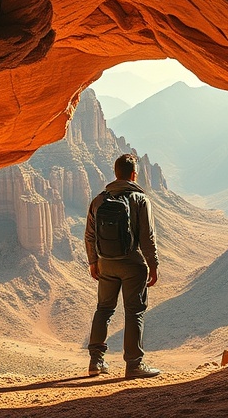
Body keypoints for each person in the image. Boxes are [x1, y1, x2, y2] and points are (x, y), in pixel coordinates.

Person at [84, 153, 161, 378]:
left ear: (115, 173)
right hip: (132, 264)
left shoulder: (99, 199)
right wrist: (153, 264)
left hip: (106, 263)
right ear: (134, 174)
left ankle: (96, 361)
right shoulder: (140, 200)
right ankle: (134, 365)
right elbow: (147, 237)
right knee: (134, 311)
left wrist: (93, 262)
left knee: (104, 309)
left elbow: (89, 235)